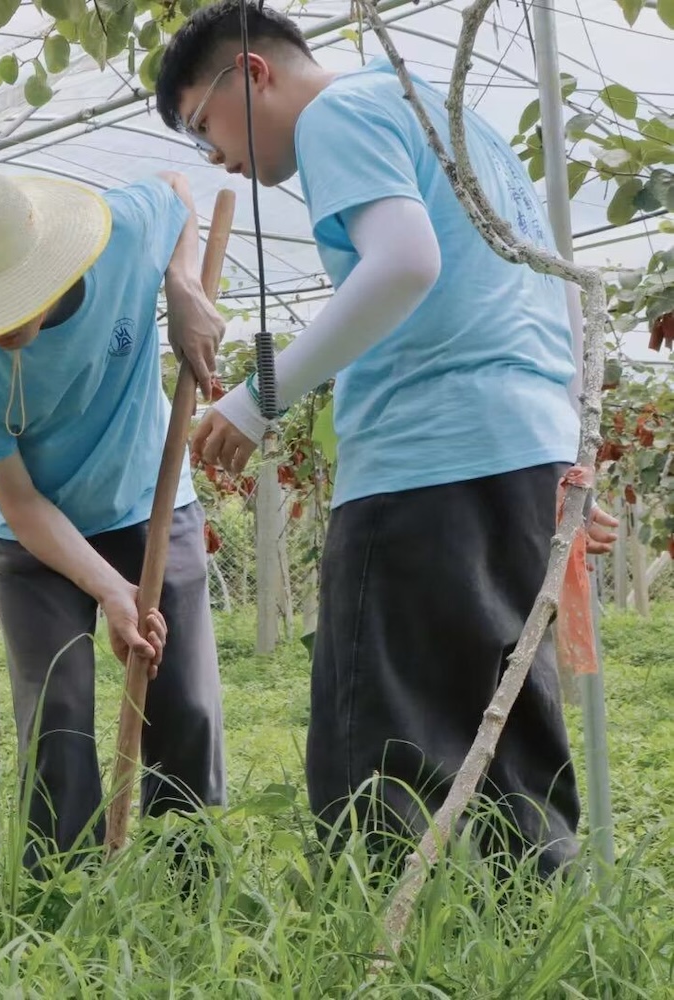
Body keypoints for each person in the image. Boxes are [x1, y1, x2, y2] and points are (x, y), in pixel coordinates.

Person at [156, 0, 618, 876]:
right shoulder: (459, 124)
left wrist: (259, 400)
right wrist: (569, 453)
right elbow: (559, 289)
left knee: (380, 739)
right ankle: (532, 935)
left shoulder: (341, 109)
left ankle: (385, 953)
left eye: (203, 124)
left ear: (252, 74)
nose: (216, 154)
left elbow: (405, 263)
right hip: (524, 452)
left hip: (424, 456)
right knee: (508, 724)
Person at [0, 167, 228, 870]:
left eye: (6, 303)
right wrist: (108, 589)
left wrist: (182, 285)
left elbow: (177, 194)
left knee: (183, 699)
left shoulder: (122, 231)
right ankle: (62, 888)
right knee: (58, 713)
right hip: (31, 534)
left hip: (146, 494)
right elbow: (20, 500)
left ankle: (192, 876)